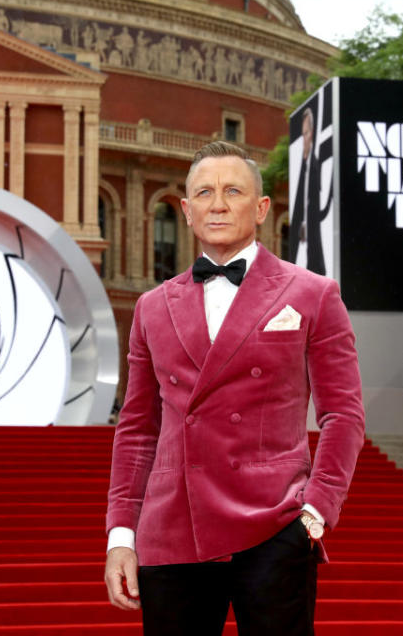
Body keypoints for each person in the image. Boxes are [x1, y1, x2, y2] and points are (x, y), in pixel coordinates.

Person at [104, 141, 365, 636]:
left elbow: (343, 415)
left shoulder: (313, 294)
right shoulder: (151, 307)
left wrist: (315, 512)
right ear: (185, 210)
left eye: (232, 191)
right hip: (172, 530)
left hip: (274, 526)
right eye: (203, 192)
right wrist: (121, 533)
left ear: (261, 208)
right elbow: (137, 430)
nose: (217, 204)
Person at [288, 107, 329, 275]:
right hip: (303, 236)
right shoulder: (303, 165)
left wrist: (311, 220)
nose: (304, 139)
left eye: (306, 134)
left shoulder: (316, 164)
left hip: (313, 236)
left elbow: (320, 200)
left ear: (312, 134)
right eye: (302, 134)